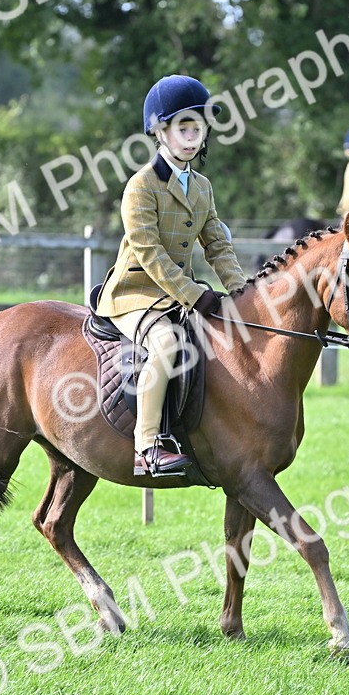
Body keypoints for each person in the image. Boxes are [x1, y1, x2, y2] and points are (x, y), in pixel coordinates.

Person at [95, 75, 247, 476]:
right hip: (135, 293)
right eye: (184, 128)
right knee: (166, 343)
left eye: (198, 128)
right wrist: (194, 293)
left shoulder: (202, 187)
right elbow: (148, 252)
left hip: (176, 294)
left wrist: (242, 292)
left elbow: (217, 244)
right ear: (160, 131)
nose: (192, 137)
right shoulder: (141, 186)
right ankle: (147, 448)